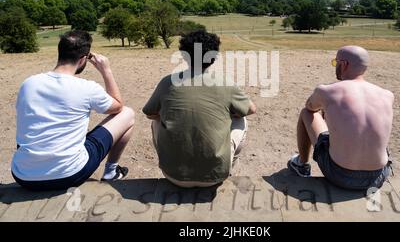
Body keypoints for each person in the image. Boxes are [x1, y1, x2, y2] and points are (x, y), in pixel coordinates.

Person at [11, 31, 134, 191]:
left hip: (23, 175)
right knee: (128, 113)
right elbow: (118, 106)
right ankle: (111, 172)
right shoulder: (87, 88)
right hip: (70, 174)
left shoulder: (28, 84)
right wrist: (106, 71)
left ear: (60, 52)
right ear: (83, 59)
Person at [143, 30, 257, 188]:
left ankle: (172, 158)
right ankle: (230, 165)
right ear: (214, 57)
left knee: (157, 121)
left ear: (184, 55)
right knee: (241, 119)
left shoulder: (167, 82)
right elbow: (251, 109)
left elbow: (149, 113)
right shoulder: (224, 82)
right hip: (215, 176)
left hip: (172, 175)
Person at [288, 46, 394, 190]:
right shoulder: (387, 95)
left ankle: (301, 164)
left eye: (335, 62)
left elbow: (310, 107)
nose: (335, 66)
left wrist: (327, 111)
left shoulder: (327, 91)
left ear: (343, 65)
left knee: (306, 113)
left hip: (339, 175)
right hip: (378, 176)